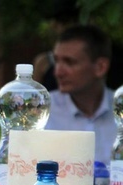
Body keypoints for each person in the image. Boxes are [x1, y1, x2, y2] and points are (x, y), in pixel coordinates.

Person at [44, 24, 116, 166]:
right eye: (56, 61)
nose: (58, 72)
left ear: (100, 67)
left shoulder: (119, 109)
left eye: (69, 62)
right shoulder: (42, 111)